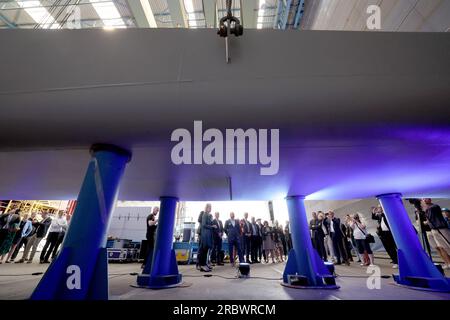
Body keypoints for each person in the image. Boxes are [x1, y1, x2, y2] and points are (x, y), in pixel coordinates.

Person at [422, 199, 450, 269]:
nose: (424, 200)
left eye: (426, 198)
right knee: (442, 247)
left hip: (441, 228)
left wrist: (423, 208)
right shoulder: (426, 209)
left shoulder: (434, 206)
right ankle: (448, 263)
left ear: (430, 199)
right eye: (423, 199)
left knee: (448, 244)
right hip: (434, 230)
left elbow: (429, 218)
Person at [198, 204, 215, 272]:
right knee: (203, 250)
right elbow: (204, 225)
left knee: (206, 250)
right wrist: (212, 226)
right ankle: (202, 265)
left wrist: (212, 226)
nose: (210, 209)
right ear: (206, 208)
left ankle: (204, 264)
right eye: (209, 207)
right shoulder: (204, 214)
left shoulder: (208, 215)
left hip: (208, 234)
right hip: (205, 235)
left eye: (211, 207)